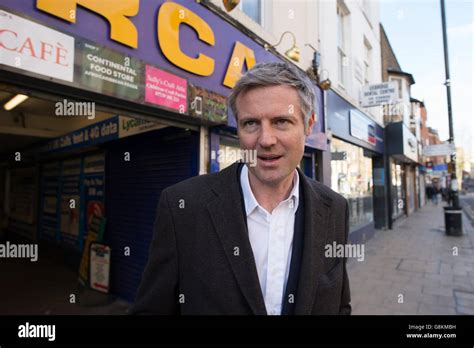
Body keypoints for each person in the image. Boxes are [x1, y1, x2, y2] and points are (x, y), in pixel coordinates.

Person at [130, 62, 351, 315]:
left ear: (309, 124)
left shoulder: (335, 208)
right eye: (251, 124)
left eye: (281, 121)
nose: (266, 140)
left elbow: (339, 306)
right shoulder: (182, 206)